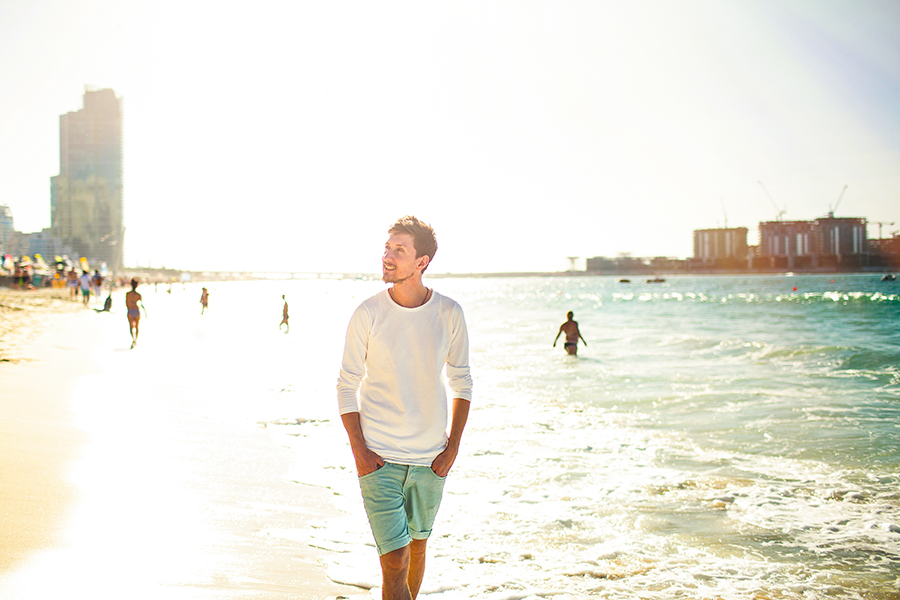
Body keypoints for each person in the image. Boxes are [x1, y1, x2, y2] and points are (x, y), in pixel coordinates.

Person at [337, 216, 473, 600]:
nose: (387, 257)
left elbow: (462, 382)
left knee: (416, 550)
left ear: (421, 262)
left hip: (431, 461)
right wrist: (360, 451)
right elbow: (346, 385)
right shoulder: (368, 313)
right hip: (379, 458)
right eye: (386, 248)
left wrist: (453, 448)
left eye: (399, 250)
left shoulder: (449, 313)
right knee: (394, 560)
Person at [125, 278, 146, 348]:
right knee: (137, 327)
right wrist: (145, 312)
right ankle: (135, 340)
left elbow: (126, 304)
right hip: (136, 311)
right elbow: (141, 304)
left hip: (130, 311)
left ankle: (133, 339)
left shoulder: (128, 294)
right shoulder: (138, 295)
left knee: (131, 327)